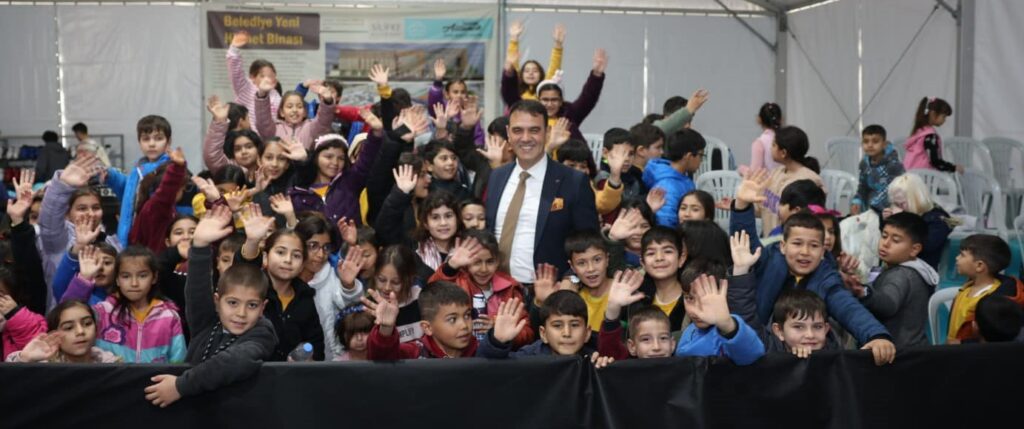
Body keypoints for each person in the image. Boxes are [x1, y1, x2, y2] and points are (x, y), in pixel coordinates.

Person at [730, 170, 897, 365]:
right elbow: (745, 245)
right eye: (797, 243)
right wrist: (742, 206)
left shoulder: (826, 275)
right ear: (783, 246)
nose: (805, 252)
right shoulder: (769, 258)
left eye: (814, 246)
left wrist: (876, 335)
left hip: (805, 357)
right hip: (758, 347)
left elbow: (848, 307)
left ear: (823, 250)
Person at [143, 206, 278, 408]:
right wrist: (199, 245)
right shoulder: (207, 321)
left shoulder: (262, 333)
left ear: (262, 307)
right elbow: (196, 290)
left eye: (252, 305)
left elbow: (235, 361)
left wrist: (180, 386)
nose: (241, 313)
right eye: (232, 303)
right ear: (217, 301)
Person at [485, 100, 598, 284]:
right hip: (496, 288)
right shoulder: (497, 176)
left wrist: (571, 281)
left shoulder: (573, 182)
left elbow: (589, 242)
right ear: (508, 133)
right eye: (517, 130)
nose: (525, 138)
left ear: (547, 132)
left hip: (550, 291)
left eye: (534, 130)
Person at [61, 245, 186, 363]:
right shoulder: (103, 312)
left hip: (157, 380)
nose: (134, 283)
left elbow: (178, 360)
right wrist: (84, 278)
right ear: (117, 279)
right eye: (126, 276)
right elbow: (64, 313)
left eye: (142, 276)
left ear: (154, 277)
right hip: (109, 379)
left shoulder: (169, 316)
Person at [235, 204, 326, 361]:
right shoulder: (253, 288)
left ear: (303, 264)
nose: (288, 260)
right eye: (280, 252)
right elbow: (242, 271)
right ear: (265, 257)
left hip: (291, 374)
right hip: (252, 371)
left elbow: (316, 346)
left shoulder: (305, 297)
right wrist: (252, 241)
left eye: (296, 255)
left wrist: (309, 360)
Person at [429, 230, 533, 348]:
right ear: (466, 263)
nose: (484, 269)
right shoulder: (457, 282)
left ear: (498, 261)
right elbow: (430, 294)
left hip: (498, 353)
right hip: (462, 353)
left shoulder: (510, 288)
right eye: (477, 262)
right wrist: (451, 266)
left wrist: (498, 328)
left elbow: (527, 334)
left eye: (490, 261)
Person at [849, 212, 938, 348]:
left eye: (896, 240)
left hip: (899, 353)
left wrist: (863, 291)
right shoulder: (909, 269)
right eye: (884, 236)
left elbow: (888, 303)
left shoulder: (902, 274)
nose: (885, 243)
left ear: (914, 249)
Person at [39, 157, 122, 301]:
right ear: (67, 213)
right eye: (82, 208)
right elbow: (49, 219)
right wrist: (62, 186)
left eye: (95, 207)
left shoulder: (112, 241)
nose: (90, 213)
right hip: (67, 311)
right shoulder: (59, 239)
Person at [288, 108, 384, 225]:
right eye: (328, 157)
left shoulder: (349, 182)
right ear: (315, 158)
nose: (335, 162)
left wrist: (376, 133)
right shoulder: (299, 194)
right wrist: (302, 161)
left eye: (341, 158)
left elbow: (366, 159)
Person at [479, 290, 614, 369]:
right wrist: (497, 341)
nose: (567, 333)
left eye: (574, 325)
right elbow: (485, 368)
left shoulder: (594, 360)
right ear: (543, 334)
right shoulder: (529, 359)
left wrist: (604, 369)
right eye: (557, 325)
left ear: (587, 333)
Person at [294, 213, 364, 360]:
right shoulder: (287, 278)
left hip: (333, 360)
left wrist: (348, 285)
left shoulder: (332, 275)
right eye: (313, 246)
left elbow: (351, 310)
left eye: (326, 247)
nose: (321, 254)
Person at [503, 47, 607, 141]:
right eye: (545, 100)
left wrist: (596, 75)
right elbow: (510, 95)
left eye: (554, 100)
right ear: (538, 100)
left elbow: (588, 98)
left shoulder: (568, 114)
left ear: (561, 101)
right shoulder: (529, 114)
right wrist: (509, 72)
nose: (549, 104)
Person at [105, 115, 174, 246]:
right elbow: (130, 192)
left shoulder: (171, 169)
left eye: (158, 138)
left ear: (168, 141)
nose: (152, 144)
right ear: (139, 142)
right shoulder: (139, 167)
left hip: (155, 236)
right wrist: (110, 176)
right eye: (146, 139)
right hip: (134, 234)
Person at [364, 281, 479, 359]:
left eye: (467, 315)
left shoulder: (481, 352)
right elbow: (382, 359)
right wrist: (386, 328)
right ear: (427, 328)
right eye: (452, 319)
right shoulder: (415, 353)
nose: (464, 325)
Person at [948, 234, 1024, 344]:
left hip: (970, 351)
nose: (957, 258)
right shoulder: (968, 287)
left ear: (979, 266)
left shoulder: (994, 304)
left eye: (962, 255)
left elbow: (992, 340)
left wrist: (962, 343)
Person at [758, 126, 823, 238]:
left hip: (791, 242)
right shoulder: (775, 173)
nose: (770, 148)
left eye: (774, 145)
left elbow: (812, 217)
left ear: (783, 153)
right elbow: (762, 206)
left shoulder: (810, 180)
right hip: (770, 239)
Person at [6, 301, 121, 363]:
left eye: (87, 323)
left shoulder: (111, 364)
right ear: (54, 335)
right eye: (69, 328)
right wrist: (24, 359)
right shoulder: (44, 367)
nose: (80, 331)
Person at [884, 173, 953, 269]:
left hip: (924, 269)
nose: (899, 208)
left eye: (902, 204)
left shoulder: (937, 220)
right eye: (896, 204)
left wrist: (902, 221)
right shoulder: (907, 213)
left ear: (915, 199)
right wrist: (887, 221)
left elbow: (922, 247)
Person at [128, 148, 190, 253]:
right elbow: (166, 192)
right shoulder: (157, 207)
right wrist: (177, 168)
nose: (184, 191)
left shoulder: (162, 207)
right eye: (183, 187)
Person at [642, 129, 705, 227]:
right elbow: (665, 226)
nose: (701, 161)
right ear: (689, 156)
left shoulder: (681, 178)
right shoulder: (668, 187)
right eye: (701, 155)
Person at [226, 31, 281, 132]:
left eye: (270, 76)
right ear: (252, 77)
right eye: (262, 76)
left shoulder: (277, 96)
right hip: (244, 136)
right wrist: (234, 49)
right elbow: (235, 72)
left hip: (266, 138)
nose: (267, 79)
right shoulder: (245, 87)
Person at [502, 21, 565, 104]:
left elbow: (554, 66)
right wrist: (514, 38)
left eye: (535, 71)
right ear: (521, 75)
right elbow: (512, 63)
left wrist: (558, 44)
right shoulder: (516, 92)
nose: (530, 73)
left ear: (541, 74)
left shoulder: (545, 91)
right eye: (526, 71)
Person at [851, 125, 904, 215]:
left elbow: (893, 190)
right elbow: (862, 187)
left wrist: (874, 207)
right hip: (870, 209)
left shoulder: (893, 164)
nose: (870, 145)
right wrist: (857, 201)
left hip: (891, 210)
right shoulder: (864, 164)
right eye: (866, 141)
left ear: (884, 144)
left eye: (875, 141)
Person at [903, 97, 961, 173]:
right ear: (933, 114)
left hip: (909, 174)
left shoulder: (919, 132)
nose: (944, 120)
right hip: (923, 176)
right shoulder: (930, 136)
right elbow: (935, 161)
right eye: (943, 116)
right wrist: (953, 167)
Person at [749, 102, 782, 172]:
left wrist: (741, 169)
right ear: (781, 119)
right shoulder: (787, 139)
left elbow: (755, 172)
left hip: (768, 179)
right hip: (786, 178)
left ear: (759, 119)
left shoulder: (760, 143)